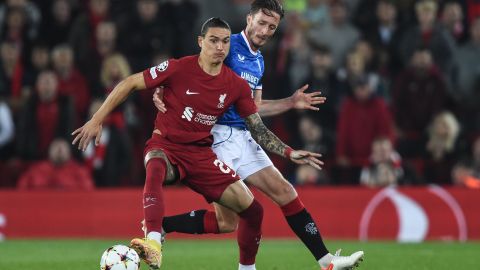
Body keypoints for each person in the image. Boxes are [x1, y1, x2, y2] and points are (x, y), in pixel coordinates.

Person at [72, 17, 324, 270]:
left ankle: (246, 268)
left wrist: (289, 153)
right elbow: (130, 82)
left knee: (253, 211)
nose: (220, 47)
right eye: (213, 40)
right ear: (200, 42)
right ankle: (154, 243)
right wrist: (97, 118)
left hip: (202, 155)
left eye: (225, 41)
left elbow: (257, 128)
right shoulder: (178, 68)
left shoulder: (235, 85)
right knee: (156, 164)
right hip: (167, 146)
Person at [153, 1, 364, 269]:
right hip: (216, 139)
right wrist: (162, 87)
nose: (265, 31)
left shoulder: (259, 60)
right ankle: (162, 225)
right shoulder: (227, 45)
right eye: (262, 23)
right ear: (249, 19)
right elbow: (191, 69)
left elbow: (253, 108)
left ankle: (326, 261)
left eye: (272, 27)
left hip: (243, 134)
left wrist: (289, 102)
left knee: (285, 191)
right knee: (228, 221)